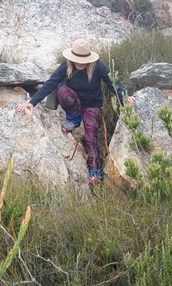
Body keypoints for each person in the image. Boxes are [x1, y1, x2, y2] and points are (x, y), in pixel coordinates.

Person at [15, 38, 124, 186]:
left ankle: (94, 171)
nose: (80, 63)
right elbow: (51, 83)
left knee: (90, 135)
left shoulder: (97, 66)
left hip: (92, 105)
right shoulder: (66, 65)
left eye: (83, 60)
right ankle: (73, 119)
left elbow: (112, 82)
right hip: (74, 101)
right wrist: (32, 102)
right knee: (61, 90)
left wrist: (125, 98)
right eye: (77, 60)